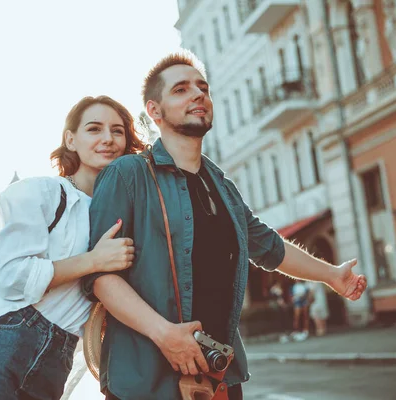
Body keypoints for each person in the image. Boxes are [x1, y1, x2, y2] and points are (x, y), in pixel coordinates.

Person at [82, 50, 367, 400]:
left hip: (219, 378)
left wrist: (331, 275)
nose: (198, 94)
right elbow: (100, 277)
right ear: (154, 111)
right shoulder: (127, 175)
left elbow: (268, 247)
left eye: (203, 87)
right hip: (146, 383)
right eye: (181, 89)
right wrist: (165, 334)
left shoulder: (221, 185)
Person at [0, 95, 145, 400]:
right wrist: (94, 260)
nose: (107, 139)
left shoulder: (121, 212)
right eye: (94, 129)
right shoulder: (45, 192)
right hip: (8, 336)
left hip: (59, 354)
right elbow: (9, 274)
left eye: (117, 131)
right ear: (71, 139)